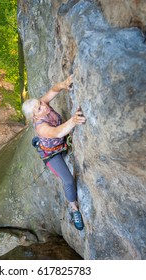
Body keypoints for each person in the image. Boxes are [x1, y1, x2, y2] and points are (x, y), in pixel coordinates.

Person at [22, 75, 86, 230]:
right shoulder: (41, 127)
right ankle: (74, 209)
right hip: (51, 154)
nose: (43, 106)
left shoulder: (42, 105)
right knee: (68, 181)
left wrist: (63, 84)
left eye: (40, 103)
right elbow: (57, 132)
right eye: (39, 108)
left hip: (60, 143)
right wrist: (73, 121)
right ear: (34, 117)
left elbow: (53, 90)